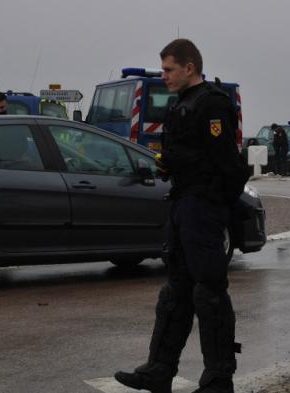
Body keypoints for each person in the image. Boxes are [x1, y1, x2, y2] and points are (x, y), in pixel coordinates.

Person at [115, 39, 247, 393]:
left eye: (169, 69)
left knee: (210, 293)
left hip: (202, 206)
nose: (164, 76)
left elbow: (226, 165)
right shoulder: (181, 104)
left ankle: (218, 379)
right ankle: (159, 371)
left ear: (190, 67)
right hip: (183, 202)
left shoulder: (213, 104)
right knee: (176, 293)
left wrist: (215, 204)